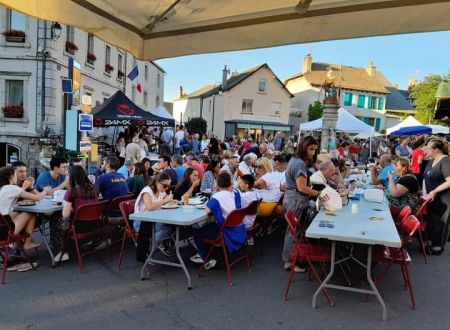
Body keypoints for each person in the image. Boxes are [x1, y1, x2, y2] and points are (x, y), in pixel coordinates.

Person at [282, 136, 328, 273]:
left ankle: (291, 258)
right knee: (293, 232)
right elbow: (301, 188)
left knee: (293, 231)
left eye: (314, 149)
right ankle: (288, 262)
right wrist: (318, 194)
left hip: (292, 198)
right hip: (296, 199)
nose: (313, 152)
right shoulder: (299, 164)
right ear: (303, 148)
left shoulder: (295, 160)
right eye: (311, 149)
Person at [190, 172, 244, 269]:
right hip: (239, 228)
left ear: (218, 184)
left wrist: (216, 192)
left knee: (197, 233)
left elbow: (207, 210)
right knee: (209, 226)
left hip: (226, 232)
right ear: (230, 183)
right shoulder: (236, 192)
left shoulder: (217, 196)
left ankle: (204, 258)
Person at [56, 165, 100, 261]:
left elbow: (65, 215)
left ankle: (63, 251)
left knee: (57, 221)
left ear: (71, 177)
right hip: (96, 224)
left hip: (79, 227)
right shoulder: (94, 188)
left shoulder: (71, 191)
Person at [0, 166, 49, 250]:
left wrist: (25, 187)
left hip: (2, 226)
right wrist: (46, 191)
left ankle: (18, 244)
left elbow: (16, 192)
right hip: (3, 233)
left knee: (18, 213)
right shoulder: (12, 188)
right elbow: (38, 198)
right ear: (11, 176)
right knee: (30, 214)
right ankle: (27, 243)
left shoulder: (3, 188)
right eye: (15, 174)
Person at [134, 172, 174, 261]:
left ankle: (151, 245)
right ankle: (150, 246)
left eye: (168, 186)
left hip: (153, 219)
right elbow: (150, 206)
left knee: (170, 226)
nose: (166, 188)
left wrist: (173, 201)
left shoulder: (161, 191)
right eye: (165, 186)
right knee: (167, 226)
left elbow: (166, 200)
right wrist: (165, 201)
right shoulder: (147, 191)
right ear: (157, 183)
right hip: (141, 222)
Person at [423, 139, 450, 255]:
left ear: (436, 149)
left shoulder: (446, 161)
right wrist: (425, 192)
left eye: (428, 148)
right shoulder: (432, 160)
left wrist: (435, 191)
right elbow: (426, 177)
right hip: (432, 197)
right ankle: (430, 243)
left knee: (441, 222)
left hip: (444, 198)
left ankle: (438, 247)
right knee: (432, 220)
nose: (426, 150)